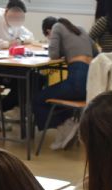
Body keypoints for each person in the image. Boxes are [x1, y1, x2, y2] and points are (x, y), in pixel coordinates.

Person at [33, 17, 94, 147]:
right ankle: (68, 122)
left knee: (39, 99)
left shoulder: (57, 27)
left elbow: (53, 55)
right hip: (89, 84)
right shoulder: (80, 29)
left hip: (77, 82)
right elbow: (96, 52)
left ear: (48, 31)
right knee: (58, 95)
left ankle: (64, 127)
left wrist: (61, 50)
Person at [0, 0, 36, 115]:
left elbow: (30, 36)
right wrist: (7, 44)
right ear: (6, 11)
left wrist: (19, 40)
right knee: (27, 81)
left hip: (12, 64)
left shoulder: (15, 23)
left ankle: (15, 108)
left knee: (37, 79)